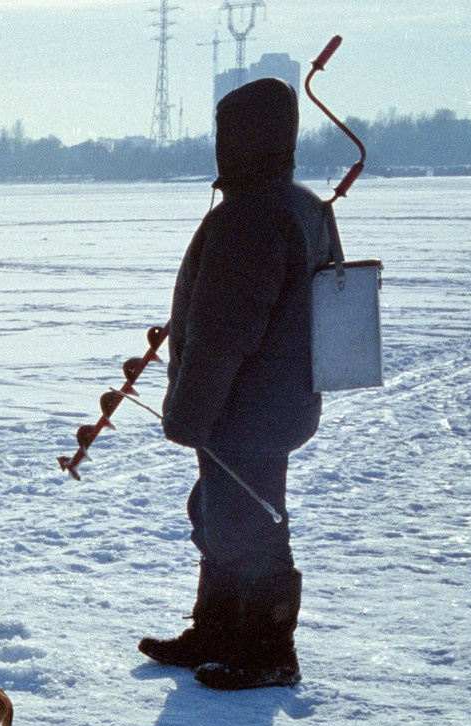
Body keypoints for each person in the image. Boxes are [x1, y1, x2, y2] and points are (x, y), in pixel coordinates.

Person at [140, 77, 337, 690]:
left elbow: (226, 330)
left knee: (248, 523)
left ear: (241, 138)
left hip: (244, 407)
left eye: (225, 132)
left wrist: (190, 411)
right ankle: (219, 630)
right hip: (280, 400)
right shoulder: (303, 205)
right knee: (224, 514)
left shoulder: (251, 217)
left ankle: (269, 650)